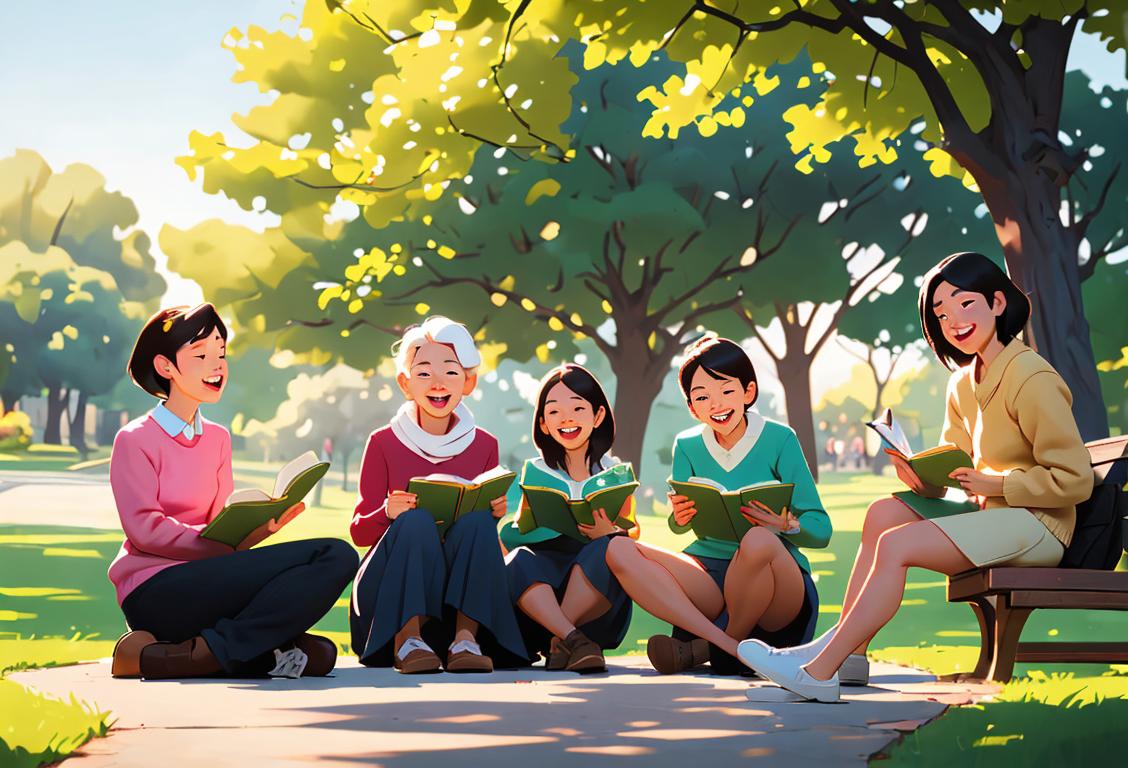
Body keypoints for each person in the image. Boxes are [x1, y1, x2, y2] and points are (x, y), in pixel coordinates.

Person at [737, 252, 1094, 702]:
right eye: (942, 315)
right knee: (884, 513)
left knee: (897, 544)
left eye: (965, 305)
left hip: (1038, 525)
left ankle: (820, 671)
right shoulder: (963, 382)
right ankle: (849, 656)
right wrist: (921, 478)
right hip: (995, 513)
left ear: (998, 303)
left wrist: (999, 485)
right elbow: (956, 466)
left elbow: (1075, 479)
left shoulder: (1032, 376)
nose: (954, 322)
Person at [109, 304, 357, 680]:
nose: (217, 365)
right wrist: (219, 547)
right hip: (156, 590)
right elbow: (145, 529)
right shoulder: (135, 439)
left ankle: (185, 655)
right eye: (202, 355)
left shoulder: (218, 439)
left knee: (323, 641)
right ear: (165, 367)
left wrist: (257, 530)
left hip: (211, 579)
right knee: (324, 583)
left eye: (221, 355)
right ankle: (236, 650)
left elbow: (220, 528)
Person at [604, 336, 831, 674]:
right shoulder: (688, 445)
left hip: (774, 583)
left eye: (726, 391)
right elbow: (681, 524)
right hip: (709, 573)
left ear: (748, 392)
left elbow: (821, 529)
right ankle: (726, 646)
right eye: (702, 397)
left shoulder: (779, 439)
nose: (716, 404)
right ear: (692, 407)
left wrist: (785, 526)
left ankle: (716, 643)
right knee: (618, 550)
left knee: (758, 539)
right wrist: (679, 518)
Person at [349, 317, 526, 673]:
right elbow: (359, 533)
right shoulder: (383, 441)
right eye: (424, 373)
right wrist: (388, 511)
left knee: (477, 522)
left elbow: (480, 542)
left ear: (468, 382)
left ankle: (465, 640)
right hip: (388, 599)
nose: (438, 383)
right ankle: (408, 640)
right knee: (415, 521)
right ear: (406, 383)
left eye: (451, 371)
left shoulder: (485, 445)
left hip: (451, 598)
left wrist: (494, 514)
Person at [501, 364, 639, 672]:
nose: (566, 419)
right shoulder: (536, 472)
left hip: (596, 593)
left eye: (578, 408)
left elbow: (633, 534)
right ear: (544, 424)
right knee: (520, 560)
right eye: (554, 412)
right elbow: (511, 537)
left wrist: (610, 531)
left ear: (598, 416)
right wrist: (526, 522)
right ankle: (570, 638)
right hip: (542, 589)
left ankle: (562, 638)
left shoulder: (614, 472)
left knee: (606, 550)